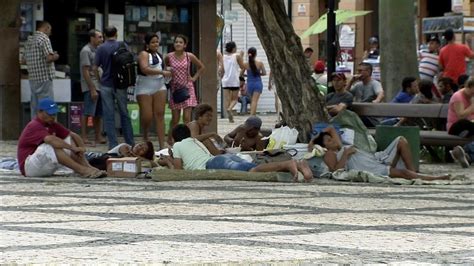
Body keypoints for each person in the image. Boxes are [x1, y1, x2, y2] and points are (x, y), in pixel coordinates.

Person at [171, 124, 312, 181]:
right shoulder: (193, 141)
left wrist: (167, 161)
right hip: (223, 158)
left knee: (252, 170)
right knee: (251, 167)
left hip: (213, 163)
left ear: (174, 138)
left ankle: (289, 164)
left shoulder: (177, 145)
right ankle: (298, 165)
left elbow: (177, 170)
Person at [311, 127, 449, 181]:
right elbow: (336, 171)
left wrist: (322, 134)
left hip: (375, 158)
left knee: (401, 140)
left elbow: (330, 129)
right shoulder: (330, 153)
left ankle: (414, 174)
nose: (333, 140)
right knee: (402, 173)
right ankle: (433, 178)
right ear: (325, 146)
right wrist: (346, 154)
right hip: (369, 166)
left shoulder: (340, 146)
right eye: (329, 141)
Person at [17, 98, 106, 178]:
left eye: (54, 114)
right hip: (29, 168)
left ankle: (87, 167)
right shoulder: (34, 125)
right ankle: (81, 170)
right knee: (52, 145)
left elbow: (73, 135)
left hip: (44, 165)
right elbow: (51, 140)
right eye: (50, 114)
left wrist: (82, 148)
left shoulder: (52, 124)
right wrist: (72, 148)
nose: (53, 117)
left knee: (67, 138)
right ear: (40, 112)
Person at [93, 26, 134, 149]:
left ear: (104, 35)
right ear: (116, 34)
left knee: (108, 115)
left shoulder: (101, 48)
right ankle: (130, 142)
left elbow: (95, 68)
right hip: (120, 84)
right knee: (124, 113)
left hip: (106, 84)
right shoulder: (122, 45)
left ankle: (113, 144)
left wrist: (100, 80)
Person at [165, 34, 205, 144]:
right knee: (175, 119)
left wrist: (193, 78)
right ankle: (170, 138)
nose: (178, 44)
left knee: (187, 118)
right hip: (175, 89)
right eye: (176, 42)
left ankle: (187, 141)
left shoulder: (189, 56)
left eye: (180, 42)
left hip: (188, 88)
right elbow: (165, 68)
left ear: (185, 45)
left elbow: (201, 67)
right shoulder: (169, 56)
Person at [135, 32, 172, 149]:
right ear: (147, 44)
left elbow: (164, 69)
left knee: (160, 114)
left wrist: (168, 72)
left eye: (157, 41)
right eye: (153, 42)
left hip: (159, 85)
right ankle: (145, 134)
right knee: (147, 116)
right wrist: (162, 72)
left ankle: (162, 145)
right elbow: (144, 69)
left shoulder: (160, 56)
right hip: (144, 86)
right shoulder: (143, 54)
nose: (156, 44)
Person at [24, 21, 60, 119]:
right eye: (50, 30)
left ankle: (36, 130)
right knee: (48, 107)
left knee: (35, 107)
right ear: (46, 28)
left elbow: (23, 60)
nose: (50, 33)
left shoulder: (29, 40)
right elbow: (49, 58)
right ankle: (48, 130)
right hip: (44, 78)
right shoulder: (44, 38)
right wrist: (55, 56)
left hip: (33, 78)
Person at [79, 29, 105, 146]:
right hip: (91, 84)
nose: (101, 39)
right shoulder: (86, 51)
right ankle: (84, 137)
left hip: (100, 84)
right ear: (92, 38)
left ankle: (98, 135)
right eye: (99, 37)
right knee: (88, 111)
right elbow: (85, 71)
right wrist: (92, 88)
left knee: (98, 113)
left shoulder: (99, 50)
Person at [221, 41, 245, 123]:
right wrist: (241, 56)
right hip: (234, 80)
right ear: (234, 48)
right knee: (235, 99)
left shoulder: (223, 57)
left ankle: (229, 116)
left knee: (227, 99)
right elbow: (242, 67)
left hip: (225, 80)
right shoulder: (237, 56)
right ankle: (229, 109)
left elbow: (222, 69)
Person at [240, 47, 266, 116]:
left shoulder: (245, 64)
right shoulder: (260, 63)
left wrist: (247, 75)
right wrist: (258, 73)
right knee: (255, 101)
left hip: (250, 84)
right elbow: (264, 73)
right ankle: (252, 115)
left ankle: (253, 115)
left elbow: (241, 74)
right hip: (258, 83)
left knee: (252, 101)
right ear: (256, 54)